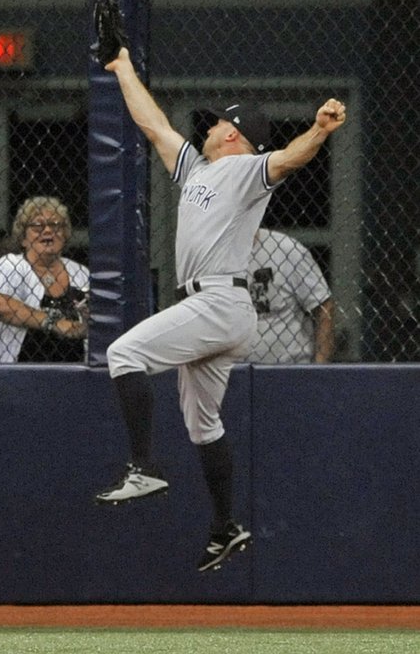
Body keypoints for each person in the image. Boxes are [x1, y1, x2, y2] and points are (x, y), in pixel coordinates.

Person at [95, 46, 346, 573]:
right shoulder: (196, 170)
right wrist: (123, 68)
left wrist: (320, 130)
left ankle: (142, 466)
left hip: (218, 300)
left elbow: (289, 158)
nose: (207, 128)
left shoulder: (244, 170)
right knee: (203, 424)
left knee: (124, 354)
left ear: (232, 134)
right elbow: (155, 126)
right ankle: (225, 526)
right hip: (214, 307)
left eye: (215, 124)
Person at [0, 196, 89, 364]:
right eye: (38, 226)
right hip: (14, 373)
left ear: (65, 235)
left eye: (55, 225)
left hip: (73, 372)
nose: (48, 231)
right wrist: (55, 323)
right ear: (23, 238)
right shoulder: (10, 265)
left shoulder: (81, 272)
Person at [246, 227, 334, 364]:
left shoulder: (287, 250)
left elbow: (323, 306)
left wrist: (320, 366)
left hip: (290, 369)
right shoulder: (217, 255)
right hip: (233, 371)